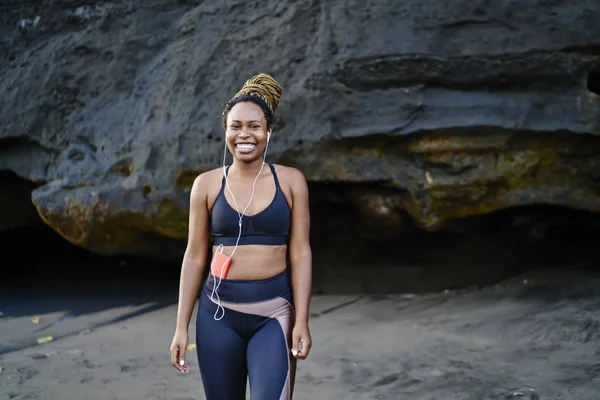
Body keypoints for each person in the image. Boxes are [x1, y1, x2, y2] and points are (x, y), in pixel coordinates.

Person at [169, 73, 313, 400]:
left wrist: (301, 320)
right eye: (235, 126)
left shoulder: (291, 182)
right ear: (225, 132)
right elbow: (194, 256)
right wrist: (181, 326)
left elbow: (301, 252)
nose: (244, 134)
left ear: (269, 131)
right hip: (217, 316)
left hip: (274, 314)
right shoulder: (205, 185)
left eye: (254, 126)